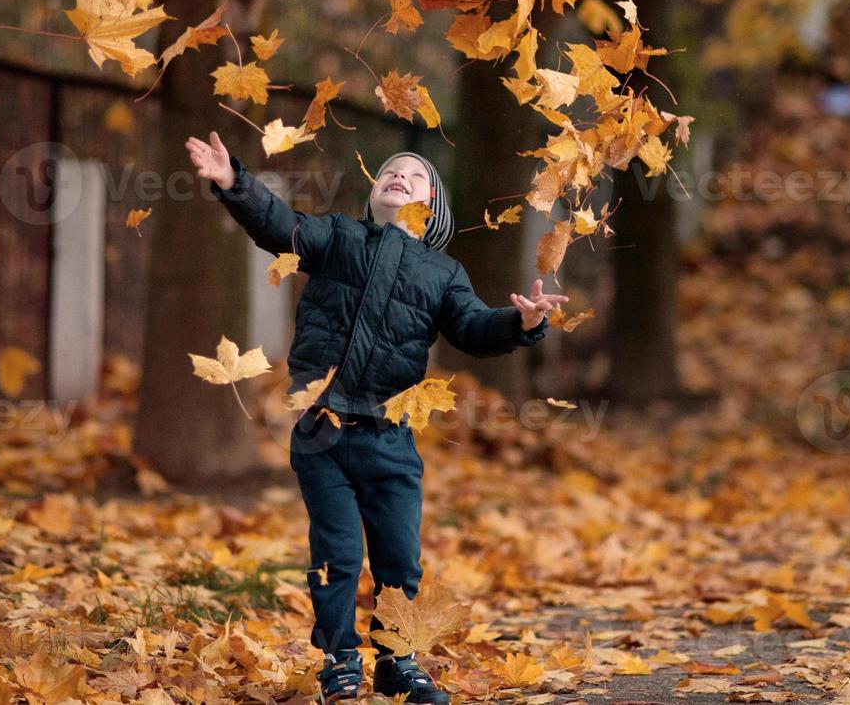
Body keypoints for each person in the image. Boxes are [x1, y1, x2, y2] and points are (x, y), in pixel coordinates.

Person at [185, 131, 567, 704]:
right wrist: (234, 183)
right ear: (374, 195)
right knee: (335, 553)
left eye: (416, 178)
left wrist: (523, 324)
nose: (401, 179)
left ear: (433, 207)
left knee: (398, 558)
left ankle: (399, 660)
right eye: (392, 173)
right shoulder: (338, 237)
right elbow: (280, 226)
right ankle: (338, 661)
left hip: (391, 438)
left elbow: (472, 328)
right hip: (322, 431)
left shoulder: (442, 272)